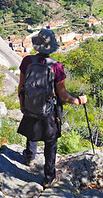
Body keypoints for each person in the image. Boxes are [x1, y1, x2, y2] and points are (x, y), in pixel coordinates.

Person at [17, 28, 87, 188]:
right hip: (49, 111)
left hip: (30, 104)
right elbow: (62, 96)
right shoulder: (57, 67)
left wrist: (23, 104)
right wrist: (78, 101)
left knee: (31, 129)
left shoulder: (27, 61)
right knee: (50, 141)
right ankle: (49, 177)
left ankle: (29, 156)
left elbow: (21, 86)